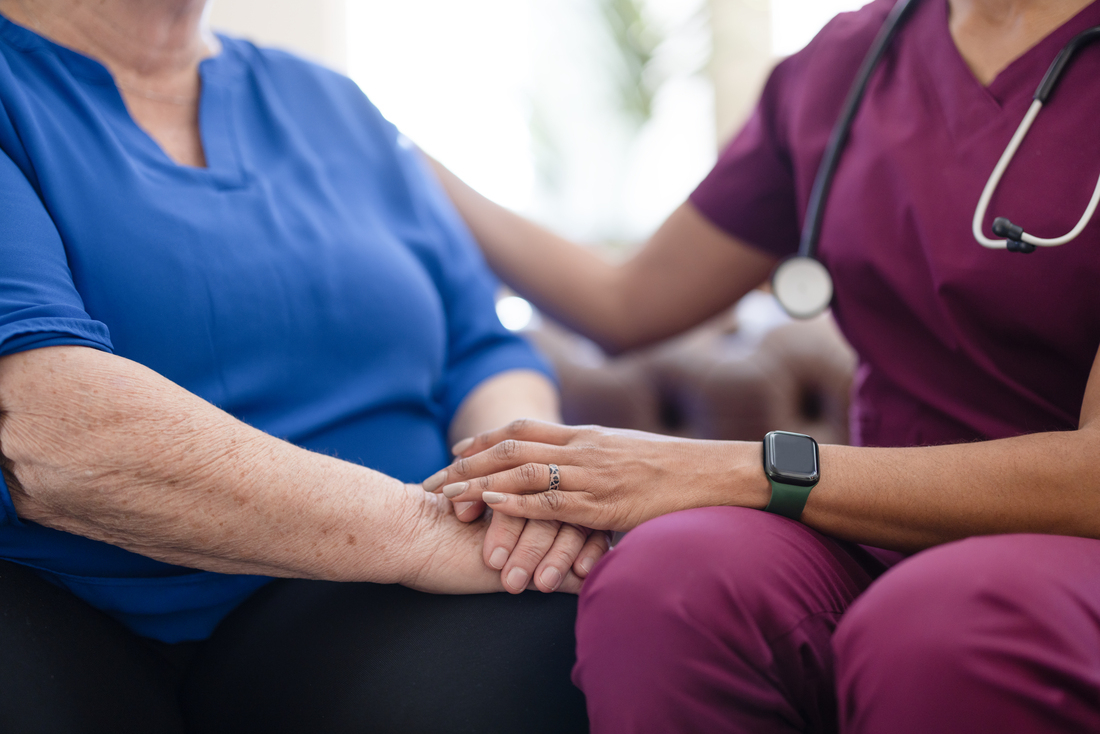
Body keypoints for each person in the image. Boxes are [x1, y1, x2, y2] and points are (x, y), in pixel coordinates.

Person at [423, 0, 1100, 731]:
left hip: (1065, 539)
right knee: (667, 580)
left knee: (940, 631)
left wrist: (738, 470)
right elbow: (626, 302)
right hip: (876, 527)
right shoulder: (848, 63)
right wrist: (400, 157)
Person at [0, 0, 607, 732]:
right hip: (74, 603)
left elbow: (483, 348)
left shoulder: (333, 103)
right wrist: (431, 533)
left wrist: (519, 492)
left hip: (370, 592)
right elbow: (51, 427)